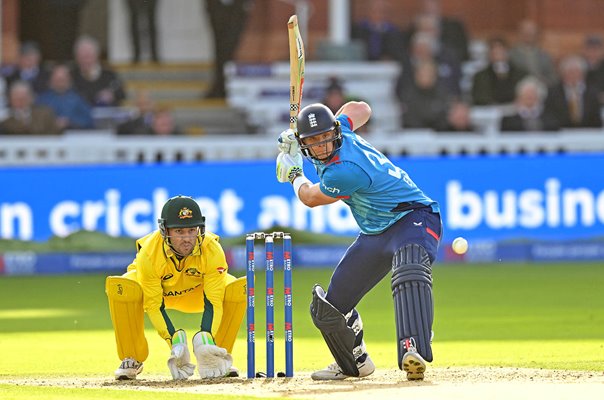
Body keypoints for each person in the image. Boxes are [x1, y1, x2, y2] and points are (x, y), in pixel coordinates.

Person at [276, 102, 442, 381]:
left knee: (409, 266)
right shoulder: (342, 130)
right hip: (375, 233)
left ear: (335, 132)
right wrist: (316, 126)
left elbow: (310, 198)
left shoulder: (344, 171)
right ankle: (355, 361)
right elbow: (361, 109)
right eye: (312, 141)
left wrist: (294, 173)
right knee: (329, 307)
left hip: (413, 217)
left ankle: (413, 345)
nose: (321, 146)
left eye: (325, 136)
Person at [105, 195, 246, 380]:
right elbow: (154, 305)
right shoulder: (149, 253)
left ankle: (216, 355)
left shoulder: (212, 249)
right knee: (123, 287)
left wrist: (205, 337)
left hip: (196, 293)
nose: (187, 238)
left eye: (191, 230)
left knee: (235, 287)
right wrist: (174, 342)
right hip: (159, 294)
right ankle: (131, 358)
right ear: (165, 231)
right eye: (179, 231)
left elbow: (214, 301)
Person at [204, 0, 252, 98]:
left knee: (231, 48)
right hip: (217, 7)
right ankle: (220, 86)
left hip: (238, 8)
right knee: (220, 48)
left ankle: (227, 87)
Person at [543, 55, 602, 129]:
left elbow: (596, 118)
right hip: (561, 134)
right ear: (563, 74)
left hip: (587, 133)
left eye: (576, 72)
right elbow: (548, 115)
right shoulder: (553, 92)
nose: (573, 76)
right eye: (570, 72)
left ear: (582, 74)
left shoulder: (592, 93)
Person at [71, 35, 126, 107]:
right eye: (81, 57)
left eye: (88, 56)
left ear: (96, 56)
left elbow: (121, 94)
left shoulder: (108, 75)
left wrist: (111, 94)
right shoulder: (72, 76)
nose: (85, 60)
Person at [471, 37, 527, 105]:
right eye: (494, 51)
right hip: (490, 111)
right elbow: (479, 97)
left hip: (515, 110)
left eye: (501, 50)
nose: (498, 54)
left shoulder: (521, 74)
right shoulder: (480, 77)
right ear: (489, 54)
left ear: (507, 52)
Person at [36, 64, 94, 130]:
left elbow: (89, 120)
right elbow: (35, 121)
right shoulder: (42, 99)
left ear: (69, 80)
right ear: (51, 80)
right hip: (49, 138)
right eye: (57, 79)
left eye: (63, 79)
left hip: (75, 136)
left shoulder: (79, 98)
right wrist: (52, 123)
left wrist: (70, 121)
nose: (60, 82)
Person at [508, 19, 558, 87]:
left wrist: (544, 81)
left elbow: (553, 77)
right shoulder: (510, 55)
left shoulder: (545, 55)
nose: (528, 34)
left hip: (542, 89)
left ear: (536, 34)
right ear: (519, 33)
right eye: (525, 32)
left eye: (531, 32)